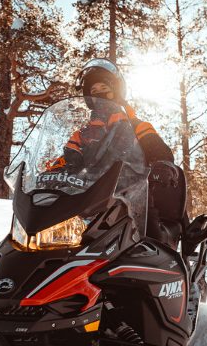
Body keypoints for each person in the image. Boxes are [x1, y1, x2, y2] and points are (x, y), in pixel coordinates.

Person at [62, 58, 188, 247]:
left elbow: (159, 149)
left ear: (116, 91)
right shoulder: (83, 134)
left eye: (104, 88)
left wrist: (161, 164)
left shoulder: (137, 126)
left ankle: (158, 262)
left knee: (150, 242)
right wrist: (52, 171)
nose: (99, 95)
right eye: (94, 92)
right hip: (87, 198)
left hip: (130, 196)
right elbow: (64, 158)